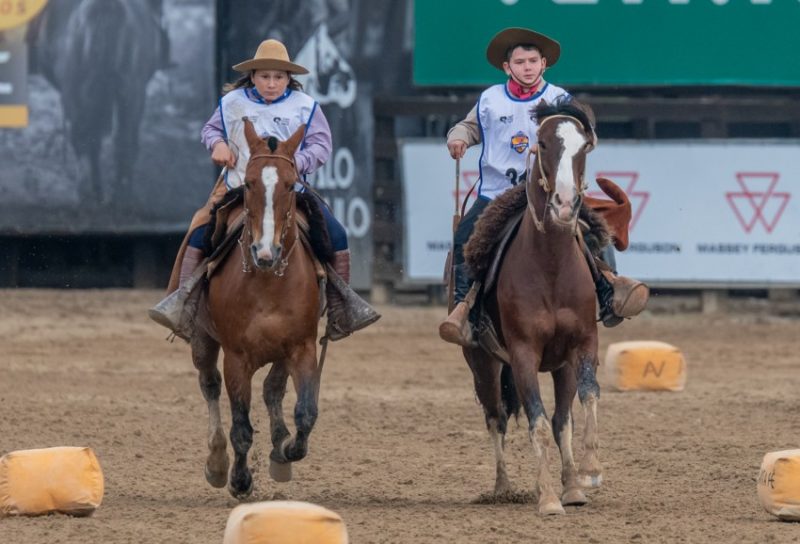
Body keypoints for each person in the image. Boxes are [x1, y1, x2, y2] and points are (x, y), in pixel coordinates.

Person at [149, 38, 378, 341]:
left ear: (288, 79)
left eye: (278, 77)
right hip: (238, 186)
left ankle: (341, 307)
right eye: (265, 76)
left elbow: (322, 145)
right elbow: (211, 129)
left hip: (289, 189)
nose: (272, 83)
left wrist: (297, 161)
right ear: (253, 76)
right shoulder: (233, 103)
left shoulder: (305, 107)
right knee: (200, 228)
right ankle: (182, 300)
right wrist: (217, 145)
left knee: (335, 232)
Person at [438, 27, 646, 347]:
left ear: (544, 64)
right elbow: (468, 126)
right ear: (507, 67)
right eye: (520, 61)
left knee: (594, 227)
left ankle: (608, 292)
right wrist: (458, 137)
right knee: (466, 235)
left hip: (549, 190)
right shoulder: (490, 100)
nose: (527, 67)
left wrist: (555, 146)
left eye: (533, 60)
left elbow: (587, 134)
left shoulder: (559, 99)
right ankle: (465, 309)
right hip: (498, 193)